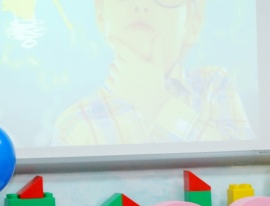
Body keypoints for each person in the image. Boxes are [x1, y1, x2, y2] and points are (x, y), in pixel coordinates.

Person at [52, 0, 253, 146]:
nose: (141, 5)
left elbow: (242, 168)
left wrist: (157, 103)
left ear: (192, 24)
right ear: (100, 16)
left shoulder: (214, 85)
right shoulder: (74, 124)